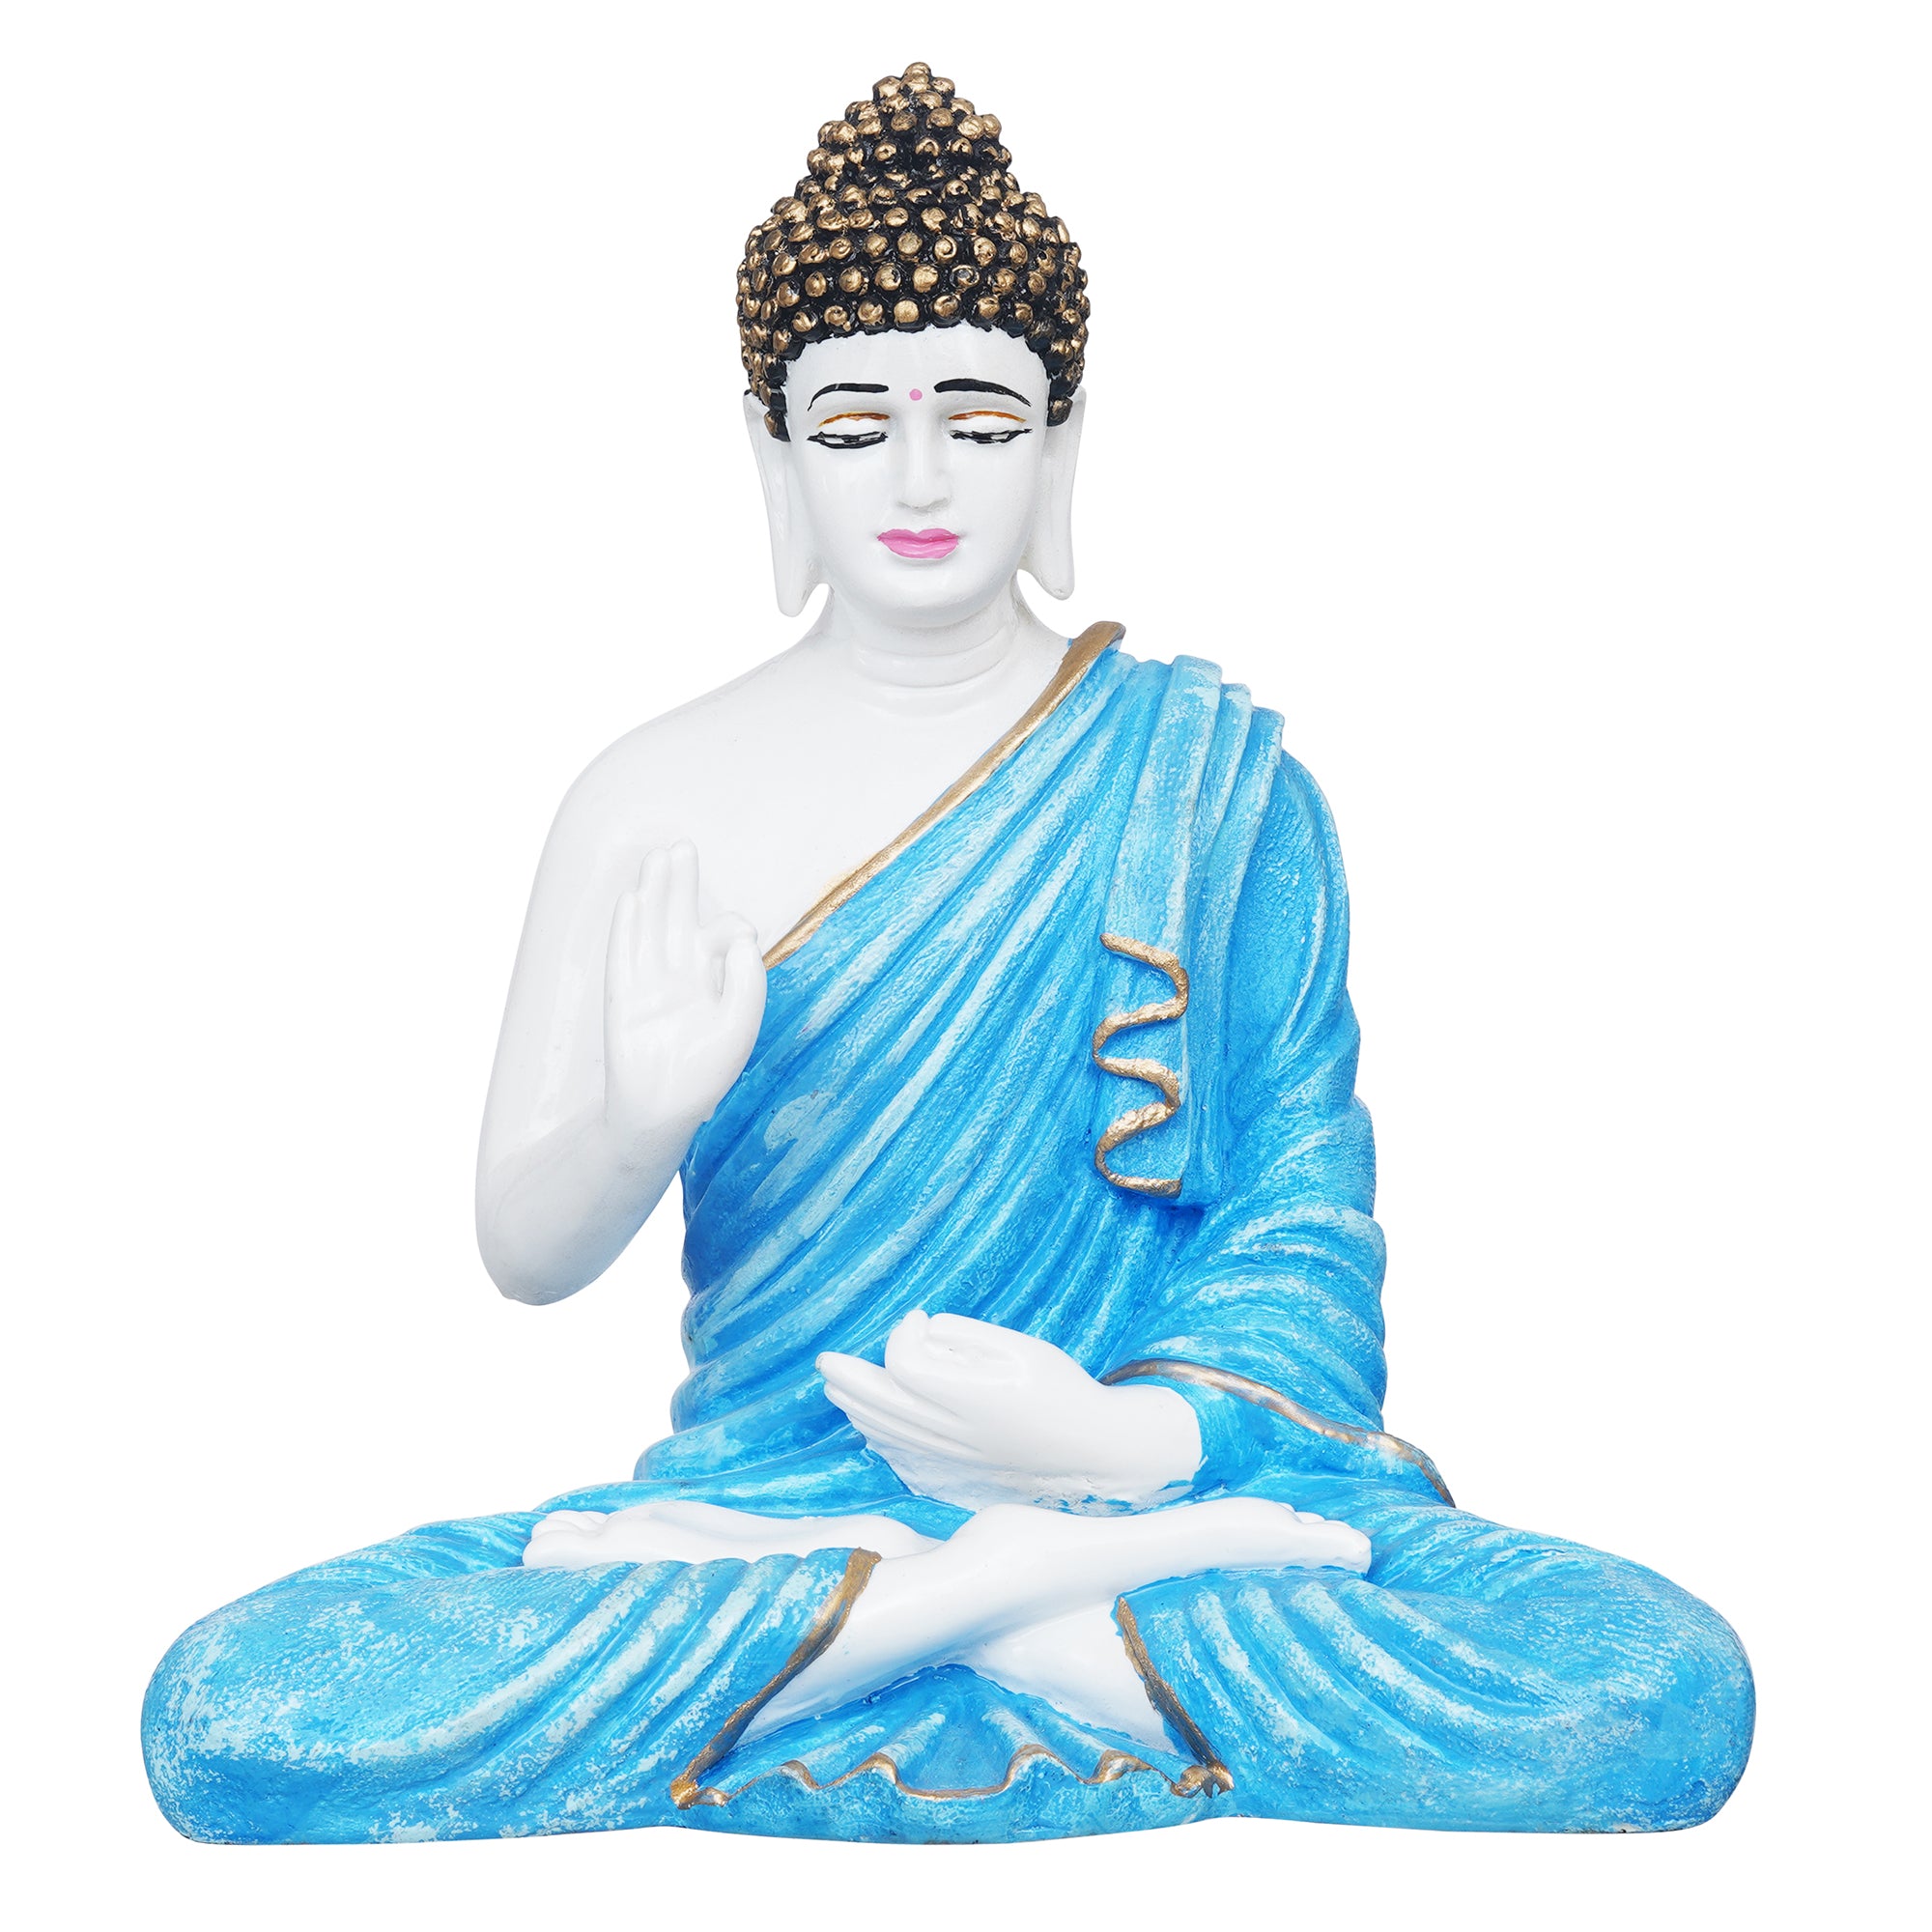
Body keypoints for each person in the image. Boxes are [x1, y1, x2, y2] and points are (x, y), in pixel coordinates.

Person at [143, 62, 1753, 1847]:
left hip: (1128, 1509)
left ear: (1062, 442)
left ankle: (895, 1629)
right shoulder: (648, 796)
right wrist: (639, 1113)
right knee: (237, 1707)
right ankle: (998, 1617)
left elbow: (1303, 1236)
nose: (919, 480)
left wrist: (1121, 1452)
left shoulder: (1213, 789)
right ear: (772, 450)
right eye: (853, 429)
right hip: (771, 1505)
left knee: (1654, 1688)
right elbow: (524, 1249)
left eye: (980, 424)